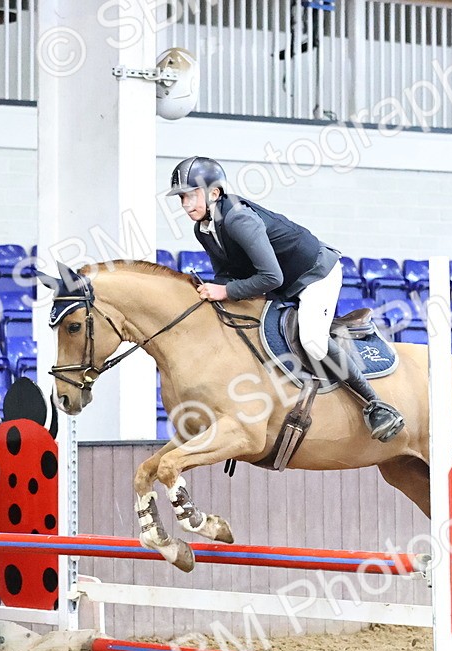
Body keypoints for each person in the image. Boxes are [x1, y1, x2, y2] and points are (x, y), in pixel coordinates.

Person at [166, 156, 406, 442]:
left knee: (313, 341)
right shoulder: (203, 228)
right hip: (282, 283)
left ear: (213, 193)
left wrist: (226, 291)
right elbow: (227, 274)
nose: (185, 205)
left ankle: (376, 404)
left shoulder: (239, 219)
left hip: (314, 275)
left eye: (191, 196)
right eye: (181, 197)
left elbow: (271, 278)